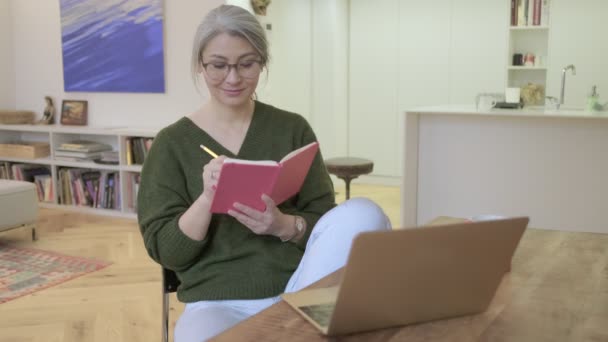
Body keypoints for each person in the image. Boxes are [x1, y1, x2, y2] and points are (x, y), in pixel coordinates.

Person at [137, 5, 391, 342]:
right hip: (215, 302)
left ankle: (299, 324)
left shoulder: (292, 128)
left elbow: (325, 221)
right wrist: (207, 198)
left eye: (247, 64)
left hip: (298, 287)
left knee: (364, 213)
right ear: (201, 64)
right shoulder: (171, 143)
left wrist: (283, 225)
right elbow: (167, 252)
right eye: (219, 65)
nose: (233, 78)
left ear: (263, 62)